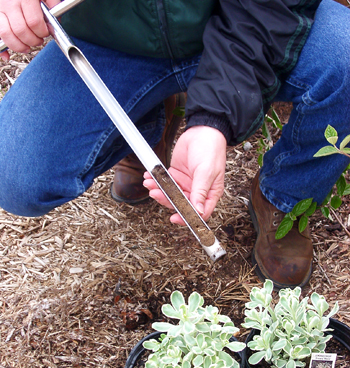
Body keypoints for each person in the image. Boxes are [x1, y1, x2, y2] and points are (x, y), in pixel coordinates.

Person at [0, 0, 349, 290]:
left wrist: (214, 122)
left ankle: (283, 198)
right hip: (109, 38)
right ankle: (148, 127)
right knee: (15, 176)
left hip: (240, 18)